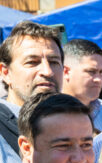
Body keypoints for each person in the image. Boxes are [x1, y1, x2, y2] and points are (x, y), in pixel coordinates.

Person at [0, 21, 63, 155]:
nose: (47, 71)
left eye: (54, 62)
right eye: (32, 62)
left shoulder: (72, 124)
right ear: (5, 72)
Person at [62, 39, 102, 133]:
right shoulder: (45, 113)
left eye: (101, 72)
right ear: (66, 72)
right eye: (91, 72)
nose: (98, 79)